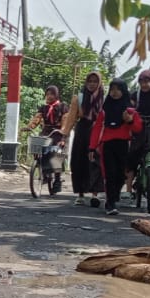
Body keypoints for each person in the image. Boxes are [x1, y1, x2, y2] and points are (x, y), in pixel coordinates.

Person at [90, 78, 142, 216]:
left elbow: (138, 128)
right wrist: (92, 147)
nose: (114, 92)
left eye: (118, 89)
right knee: (110, 174)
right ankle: (110, 203)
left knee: (120, 175)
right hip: (107, 145)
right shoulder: (104, 110)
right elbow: (96, 129)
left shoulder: (130, 110)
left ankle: (114, 195)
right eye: (112, 89)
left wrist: (129, 121)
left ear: (123, 91)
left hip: (123, 144)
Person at [61, 71, 105, 207]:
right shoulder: (79, 98)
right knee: (79, 162)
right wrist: (64, 135)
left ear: (99, 83)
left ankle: (95, 194)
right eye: (89, 81)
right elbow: (71, 118)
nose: (92, 84)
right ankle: (80, 194)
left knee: (96, 162)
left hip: (98, 131)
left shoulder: (105, 99)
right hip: (82, 131)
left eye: (95, 81)